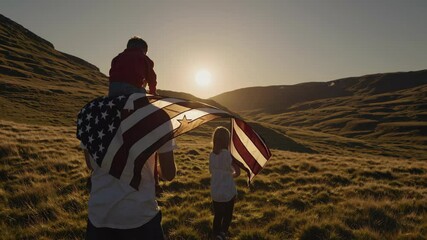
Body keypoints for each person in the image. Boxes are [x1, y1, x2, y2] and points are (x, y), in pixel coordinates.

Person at [209, 127, 240, 240]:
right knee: (227, 215)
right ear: (227, 140)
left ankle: (215, 233)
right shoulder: (229, 155)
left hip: (216, 190)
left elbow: (211, 171)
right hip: (228, 190)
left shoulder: (211, 155)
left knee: (217, 215)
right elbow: (238, 172)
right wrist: (230, 174)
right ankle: (222, 233)